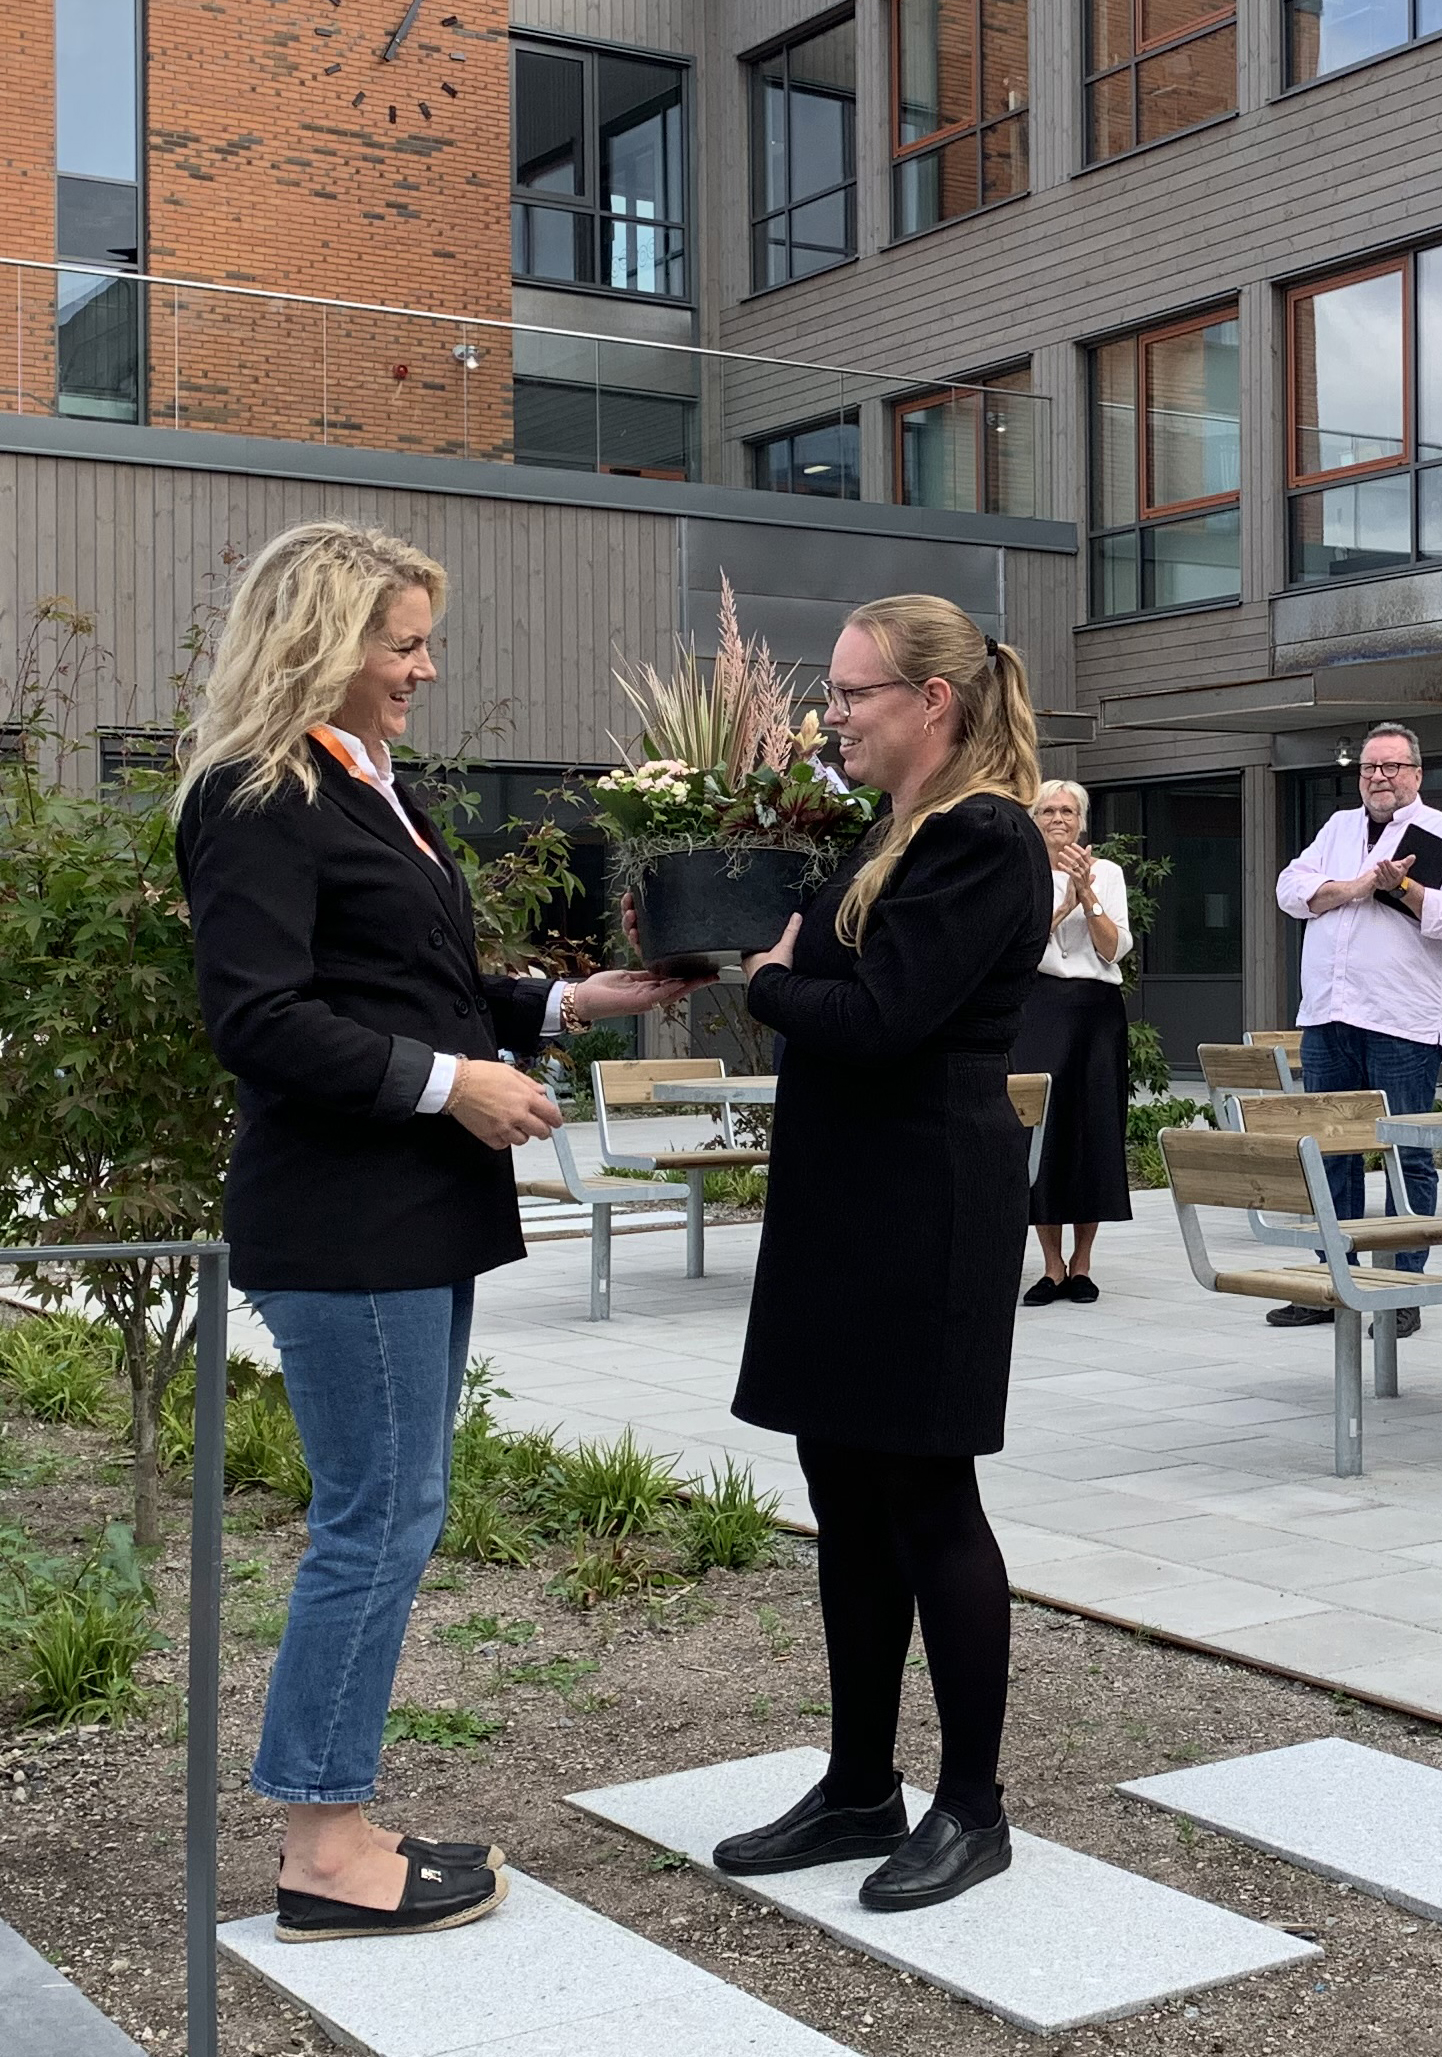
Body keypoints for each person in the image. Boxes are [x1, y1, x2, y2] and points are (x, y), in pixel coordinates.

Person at [175, 519, 700, 1942]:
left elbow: (400, 975)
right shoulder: (258, 793)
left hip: (395, 1213)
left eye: (420, 641)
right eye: (400, 642)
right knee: (375, 1520)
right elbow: (261, 1017)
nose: (422, 667)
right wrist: (447, 1083)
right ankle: (324, 1849)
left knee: (391, 1514)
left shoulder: (358, 786)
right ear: (321, 643)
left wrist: (567, 1006)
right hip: (350, 1218)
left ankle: (334, 1818)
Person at [710, 595, 1047, 1913]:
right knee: (843, 1493)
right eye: (834, 692)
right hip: (851, 1202)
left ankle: (973, 1806)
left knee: (926, 1502)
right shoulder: (896, 827)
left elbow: (880, 1016)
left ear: (933, 705)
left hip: (924, 1206)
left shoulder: (981, 837)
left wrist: (768, 983)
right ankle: (860, 1784)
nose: (831, 712)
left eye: (853, 693)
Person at [1271, 721, 1442, 1338]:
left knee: (1406, 1154)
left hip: (1401, 1020)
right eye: (1368, 768)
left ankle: (1401, 1290)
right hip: (1327, 1016)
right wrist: (1360, 885)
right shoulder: (1337, 828)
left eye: (1391, 767)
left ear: (1417, 773)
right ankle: (1334, 1282)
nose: (1378, 778)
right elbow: (1290, 889)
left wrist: (1408, 887)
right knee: (1326, 1154)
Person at [1011, 778, 1134, 1304]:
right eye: (1047, 811)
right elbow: (1017, 947)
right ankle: (1051, 1265)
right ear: (1033, 819)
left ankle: (1082, 1263)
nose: (1058, 819)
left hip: (1096, 1012)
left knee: (1092, 1127)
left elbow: (1112, 950)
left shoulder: (1106, 873)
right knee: (1043, 1129)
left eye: (1067, 811)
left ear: (1083, 821)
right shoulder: (1020, 871)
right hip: (1038, 1008)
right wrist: (1061, 901)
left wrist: (1087, 895)